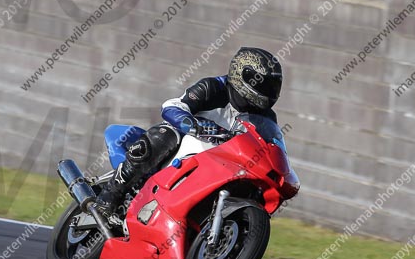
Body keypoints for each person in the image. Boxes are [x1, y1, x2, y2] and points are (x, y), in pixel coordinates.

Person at [95, 48, 283, 221]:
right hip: (187, 144)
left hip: (223, 162)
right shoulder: (214, 88)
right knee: (165, 135)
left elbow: (269, 147)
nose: (269, 91)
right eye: (265, 85)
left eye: (273, 86)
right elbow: (172, 106)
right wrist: (194, 125)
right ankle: (110, 195)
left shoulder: (266, 118)